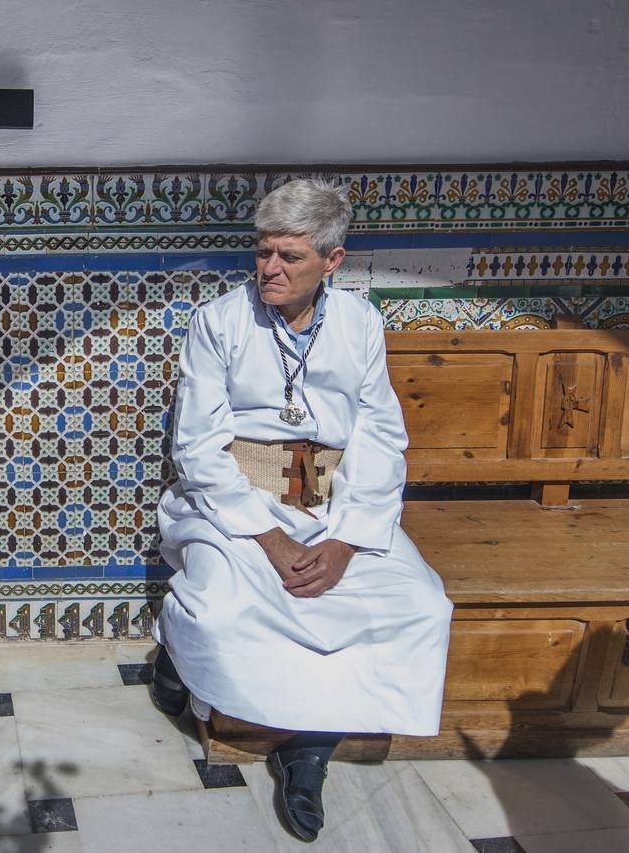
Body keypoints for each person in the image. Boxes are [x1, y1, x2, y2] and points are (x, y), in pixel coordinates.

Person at [150, 179, 452, 842]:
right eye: (263, 253)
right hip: (236, 499)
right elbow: (196, 446)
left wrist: (345, 541)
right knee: (224, 607)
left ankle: (307, 746)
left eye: (289, 256)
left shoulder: (360, 323)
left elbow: (379, 436)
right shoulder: (218, 322)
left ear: (332, 261)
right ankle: (180, 655)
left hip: (335, 503)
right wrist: (269, 538)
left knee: (417, 603)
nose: (270, 269)